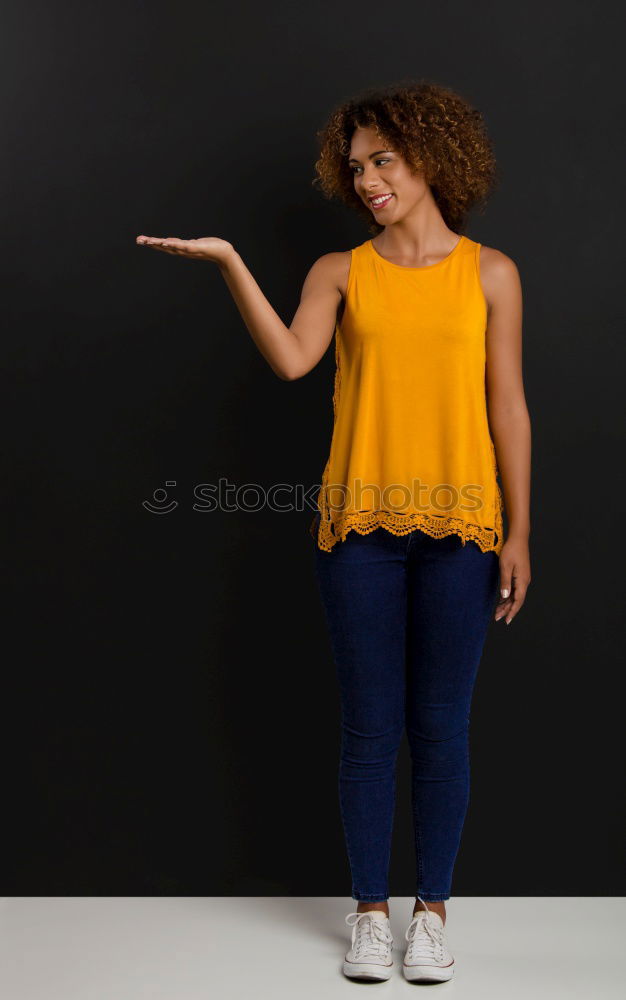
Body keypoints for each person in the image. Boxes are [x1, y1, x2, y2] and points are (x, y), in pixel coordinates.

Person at [136, 78, 531, 984]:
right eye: (355, 167)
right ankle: (368, 912)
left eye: (383, 160)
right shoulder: (340, 272)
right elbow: (289, 359)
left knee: (440, 728)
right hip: (357, 527)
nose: (367, 181)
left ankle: (431, 914)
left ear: (430, 156)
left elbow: (508, 408)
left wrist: (518, 533)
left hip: (465, 528)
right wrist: (233, 260)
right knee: (367, 729)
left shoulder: (493, 273)